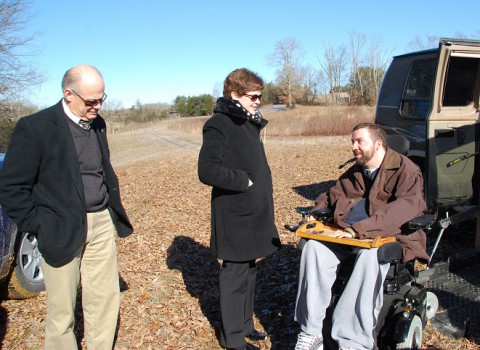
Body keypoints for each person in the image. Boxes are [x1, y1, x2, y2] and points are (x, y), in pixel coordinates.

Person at [0, 65, 133, 349]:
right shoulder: (35, 128)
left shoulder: (98, 123)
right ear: (68, 94)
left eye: (102, 99)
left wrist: (109, 212)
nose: (98, 106)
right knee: (62, 313)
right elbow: (12, 188)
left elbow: (98, 170)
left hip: (100, 223)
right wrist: (40, 225)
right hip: (59, 228)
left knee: (104, 299)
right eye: (91, 101)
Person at [294, 123, 429, 350]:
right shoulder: (357, 170)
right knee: (313, 249)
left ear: (378, 144)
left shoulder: (406, 170)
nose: (354, 147)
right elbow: (332, 195)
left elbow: (406, 207)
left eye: (360, 142)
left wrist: (361, 229)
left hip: (391, 236)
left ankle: (353, 341)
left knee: (370, 256)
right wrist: (316, 212)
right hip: (350, 236)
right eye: (352, 141)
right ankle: (311, 332)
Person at [198, 68, 281, 350]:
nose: (258, 100)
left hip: (254, 211)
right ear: (235, 95)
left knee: (250, 270)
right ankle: (232, 339)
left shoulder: (248, 121)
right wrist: (243, 181)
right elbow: (207, 169)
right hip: (234, 213)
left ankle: (245, 325)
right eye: (254, 96)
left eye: (260, 95)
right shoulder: (219, 124)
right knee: (234, 275)